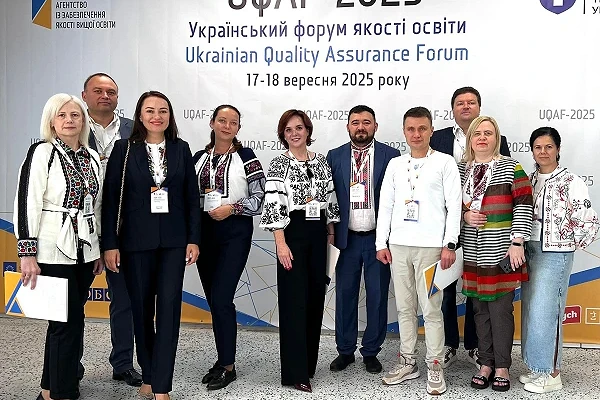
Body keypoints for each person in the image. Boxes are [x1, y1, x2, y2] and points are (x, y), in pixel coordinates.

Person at [102, 91, 201, 400]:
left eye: (162, 110)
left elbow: (191, 198)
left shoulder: (181, 148)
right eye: (150, 110)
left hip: (174, 242)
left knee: (169, 309)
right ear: (140, 115)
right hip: (135, 242)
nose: (156, 116)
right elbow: (110, 201)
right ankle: (148, 373)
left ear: (170, 116)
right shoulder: (124, 149)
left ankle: (161, 386)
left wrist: (193, 238)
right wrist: (110, 244)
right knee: (141, 311)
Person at [14, 94, 104, 400]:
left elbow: (97, 206)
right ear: (51, 121)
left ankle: (49, 389)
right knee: (65, 323)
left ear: (84, 121)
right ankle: (62, 392)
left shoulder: (91, 158)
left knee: (68, 322)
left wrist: (97, 249)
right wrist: (27, 253)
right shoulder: (42, 152)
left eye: (75, 115)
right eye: (62, 115)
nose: (69, 120)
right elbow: (27, 201)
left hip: (85, 250)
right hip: (52, 250)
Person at [376, 107, 461, 396]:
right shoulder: (395, 164)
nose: (416, 134)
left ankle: (435, 365)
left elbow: (453, 206)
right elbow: (386, 205)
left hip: (432, 248)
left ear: (431, 130)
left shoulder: (445, 162)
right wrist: (381, 242)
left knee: (432, 309)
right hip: (399, 246)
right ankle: (408, 362)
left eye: (422, 128)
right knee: (404, 308)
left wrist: (449, 243)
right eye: (411, 129)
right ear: (404, 132)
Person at [430, 86, 511, 369]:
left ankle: (477, 347)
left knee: (477, 289)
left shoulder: (497, 139)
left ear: (479, 107)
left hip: (483, 232)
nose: (466, 107)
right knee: (446, 288)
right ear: (453, 109)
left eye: (471, 102)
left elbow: (502, 188)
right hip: (445, 227)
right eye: (460, 103)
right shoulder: (437, 138)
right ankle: (450, 344)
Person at [259, 109, 340, 393]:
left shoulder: (321, 161)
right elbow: (273, 204)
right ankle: (295, 372)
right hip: (291, 234)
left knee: (315, 298)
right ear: (283, 135)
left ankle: (308, 365)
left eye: (299, 128)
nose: (295, 133)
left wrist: (330, 234)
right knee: (294, 303)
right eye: (288, 129)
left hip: (319, 234)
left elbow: (330, 197)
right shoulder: (279, 164)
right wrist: (280, 243)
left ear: (308, 130)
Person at [520, 127, 599, 393]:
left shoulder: (570, 181)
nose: (543, 152)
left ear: (558, 149)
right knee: (531, 309)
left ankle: (551, 374)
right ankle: (537, 367)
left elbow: (587, 219)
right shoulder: (529, 179)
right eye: (538, 147)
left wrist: (568, 243)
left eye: (548, 147)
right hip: (529, 249)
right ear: (532, 150)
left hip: (555, 253)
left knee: (547, 311)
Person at [194, 105, 266, 390]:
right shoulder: (198, 158)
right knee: (214, 300)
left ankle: (228, 366)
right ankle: (222, 358)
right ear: (212, 123)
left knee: (222, 298)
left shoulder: (247, 157)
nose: (226, 126)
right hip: (204, 233)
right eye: (222, 120)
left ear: (238, 128)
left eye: (233, 122)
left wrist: (232, 208)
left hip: (234, 232)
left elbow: (260, 198)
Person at [459, 116, 533, 392]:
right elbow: (449, 206)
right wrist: (465, 216)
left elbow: (524, 204)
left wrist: (517, 242)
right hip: (471, 254)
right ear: (470, 139)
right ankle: (485, 363)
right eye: (477, 133)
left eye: (488, 133)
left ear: (496, 138)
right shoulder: (460, 170)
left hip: (501, 251)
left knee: (500, 311)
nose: (482, 137)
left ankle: (502, 366)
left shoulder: (511, 167)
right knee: (479, 310)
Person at [326, 105, 400, 374]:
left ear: (375, 126)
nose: (361, 127)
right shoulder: (334, 156)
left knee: (377, 297)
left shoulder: (391, 156)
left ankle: (371, 351)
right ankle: (345, 350)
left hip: (377, 240)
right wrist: (330, 233)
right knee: (345, 296)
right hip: (345, 240)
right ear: (348, 126)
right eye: (355, 122)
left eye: (366, 122)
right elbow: (328, 198)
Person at [81, 72, 141, 387]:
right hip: (79, 229)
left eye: (111, 92)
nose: (105, 96)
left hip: (123, 229)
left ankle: (123, 364)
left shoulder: (134, 129)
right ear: (85, 95)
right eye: (98, 90)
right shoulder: (72, 125)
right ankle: (69, 367)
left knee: (125, 301)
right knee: (72, 303)